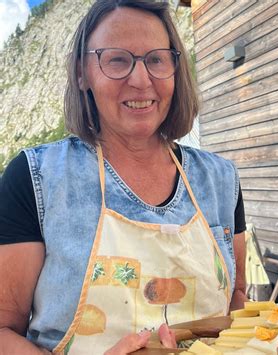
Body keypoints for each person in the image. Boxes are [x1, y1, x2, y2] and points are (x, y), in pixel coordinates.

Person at [0, 0, 248, 353]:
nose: (141, 79)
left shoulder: (221, 180)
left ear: (175, 70)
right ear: (83, 73)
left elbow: (237, 299)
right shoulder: (36, 178)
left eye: (156, 59)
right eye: (117, 59)